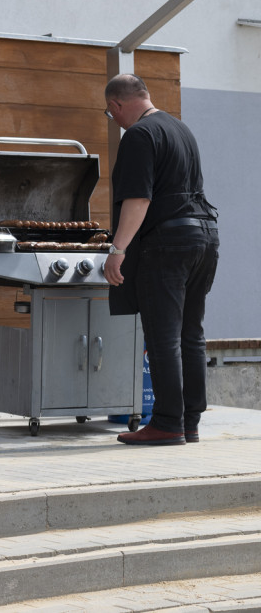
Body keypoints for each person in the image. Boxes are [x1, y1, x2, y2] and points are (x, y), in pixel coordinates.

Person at [102, 73, 220, 446]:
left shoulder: (138, 135)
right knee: (191, 335)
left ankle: (168, 423)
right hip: (204, 237)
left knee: (163, 335)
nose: (114, 120)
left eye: (111, 114)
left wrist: (116, 251)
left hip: (168, 243)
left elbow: (139, 199)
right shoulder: (179, 129)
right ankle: (189, 422)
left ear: (116, 105)